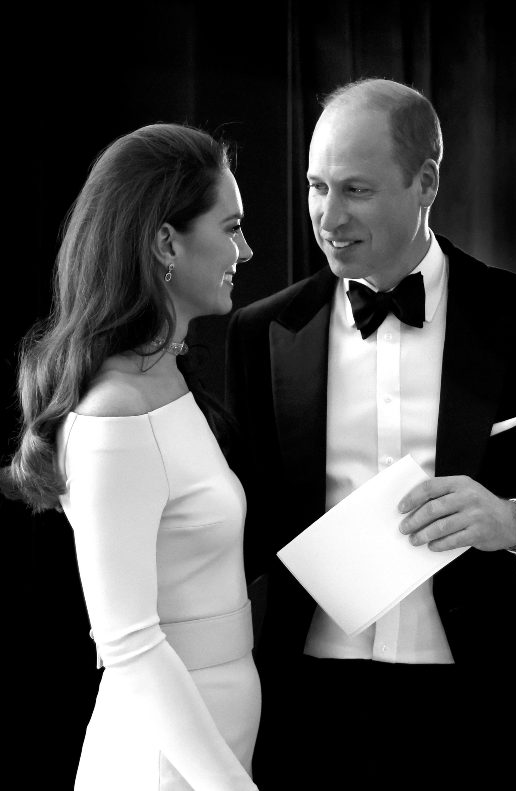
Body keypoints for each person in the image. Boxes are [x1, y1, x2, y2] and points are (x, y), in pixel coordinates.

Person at [225, 79, 516, 791]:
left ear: (425, 180)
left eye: (356, 190)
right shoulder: (261, 333)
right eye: (316, 187)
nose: (327, 217)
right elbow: (243, 524)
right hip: (311, 716)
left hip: (492, 714)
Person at [2, 123, 260, 790]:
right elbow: (128, 643)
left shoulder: (168, 381)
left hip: (205, 746)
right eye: (230, 228)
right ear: (165, 241)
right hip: (161, 764)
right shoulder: (114, 415)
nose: (247, 249)